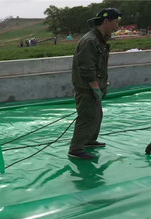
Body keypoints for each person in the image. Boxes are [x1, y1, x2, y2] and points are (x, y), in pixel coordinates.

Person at [68, 8, 121, 159]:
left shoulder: (100, 39)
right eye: (115, 22)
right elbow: (87, 68)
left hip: (95, 86)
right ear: (106, 21)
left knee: (97, 114)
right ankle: (76, 149)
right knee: (87, 117)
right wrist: (96, 87)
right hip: (86, 88)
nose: (117, 26)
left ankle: (89, 140)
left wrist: (103, 83)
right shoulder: (89, 41)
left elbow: (99, 65)